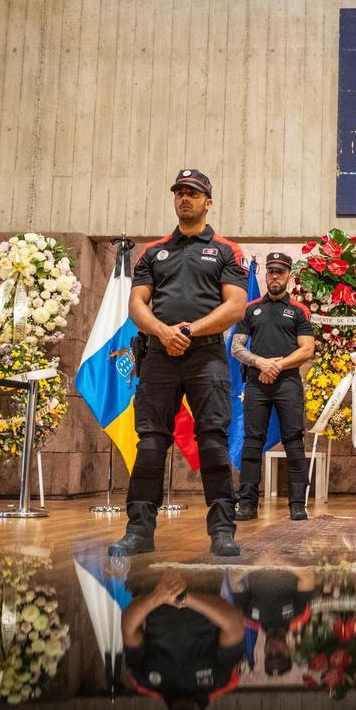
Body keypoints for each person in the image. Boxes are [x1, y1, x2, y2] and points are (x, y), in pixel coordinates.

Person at [110, 169, 248, 558]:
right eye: (179, 192)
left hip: (206, 356)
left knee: (213, 441)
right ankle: (139, 531)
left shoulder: (226, 250)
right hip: (158, 356)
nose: (184, 198)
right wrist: (163, 332)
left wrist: (187, 331)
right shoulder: (153, 251)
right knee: (151, 443)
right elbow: (137, 304)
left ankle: (222, 530)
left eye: (193, 193)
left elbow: (235, 306)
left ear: (208, 202)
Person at [229, 252, 316, 521]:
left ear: (289, 275)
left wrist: (276, 366)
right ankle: (247, 504)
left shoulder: (299, 311)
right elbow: (236, 348)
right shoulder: (250, 308)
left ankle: (297, 505)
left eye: (280, 272)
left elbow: (307, 350)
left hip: (287, 383)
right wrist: (260, 363)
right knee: (252, 442)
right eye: (271, 271)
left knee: (294, 441)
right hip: (256, 384)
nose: (275, 276)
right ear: (266, 274)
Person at [123, 568, 246, 710]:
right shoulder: (220, 680)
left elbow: (128, 626)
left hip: (151, 577)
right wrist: (183, 596)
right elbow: (234, 622)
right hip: (202, 575)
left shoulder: (145, 681)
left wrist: (158, 597)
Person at [230, 567, 316, 676]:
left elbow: (234, 579)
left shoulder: (248, 616)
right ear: (289, 651)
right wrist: (277, 562)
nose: (274, 650)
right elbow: (308, 577)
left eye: (270, 655)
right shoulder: (298, 612)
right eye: (279, 654)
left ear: (264, 652)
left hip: (254, 561)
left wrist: (259, 564)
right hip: (290, 559)